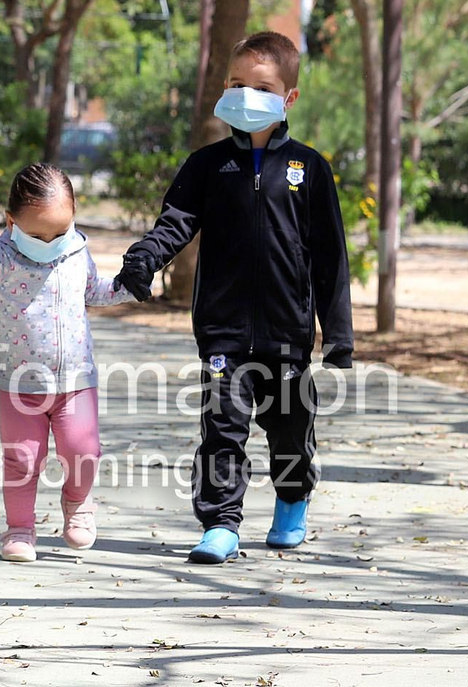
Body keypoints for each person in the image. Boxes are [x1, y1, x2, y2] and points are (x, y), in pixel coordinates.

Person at [114, 31, 353, 565]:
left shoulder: (309, 168)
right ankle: (221, 522)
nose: (246, 94)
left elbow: (331, 257)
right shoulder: (206, 165)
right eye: (236, 83)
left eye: (261, 86)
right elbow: (173, 225)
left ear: (288, 97)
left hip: (287, 333)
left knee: (291, 427)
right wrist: (142, 262)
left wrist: (338, 335)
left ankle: (292, 499)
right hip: (222, 331)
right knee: (222, 426)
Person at [0, 163, 132, 562]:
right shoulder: (1, 256)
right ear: (10, 222)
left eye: (60, 231)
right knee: (21, 460)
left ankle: (78, 504)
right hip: (19, 384)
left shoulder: (76, 250)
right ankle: (20, 530)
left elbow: (95, 291)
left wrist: (132, 284)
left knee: (83, 449)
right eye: (37, 234)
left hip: (76, 380)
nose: (50, 241)